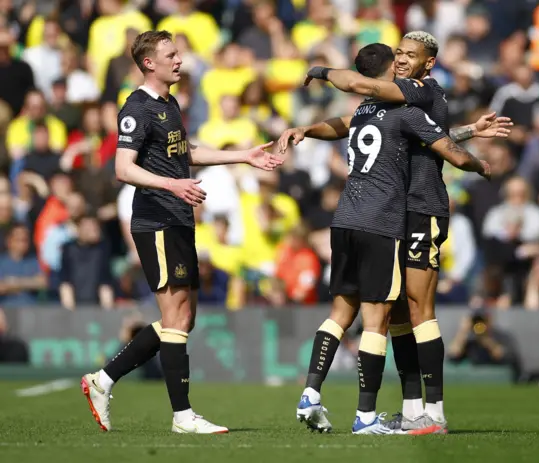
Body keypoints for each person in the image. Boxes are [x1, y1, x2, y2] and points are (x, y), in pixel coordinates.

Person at [280, 33, 505, 435]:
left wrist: (319, 69)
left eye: (410, 55)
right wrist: (306, 129)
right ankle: (412, 408)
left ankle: (433, 412)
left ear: (428, 64)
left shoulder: (418, 91)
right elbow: (380, 128)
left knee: (418, 308)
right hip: (388, 215)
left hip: (421, 209)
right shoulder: (394, 106)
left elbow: (377, 103)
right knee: (396, 312)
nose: (401, 60)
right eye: (398, 54)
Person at [80, 30, 282, 435]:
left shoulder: (169, 103)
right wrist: (173, 185)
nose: (179, 60)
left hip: (178, 217)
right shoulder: (136, 107)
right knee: (175, 317)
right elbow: (123, 168)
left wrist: (243, 156)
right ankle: (182, 416)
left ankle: (101, 381)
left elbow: (184, 153)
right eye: (171, 55)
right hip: (155, 219)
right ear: (149, 63)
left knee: (183, 318)